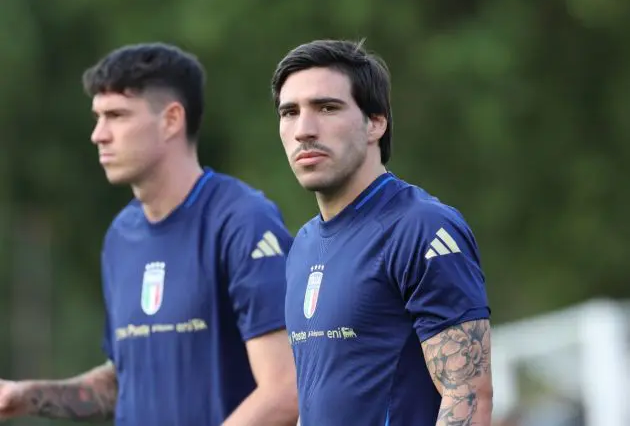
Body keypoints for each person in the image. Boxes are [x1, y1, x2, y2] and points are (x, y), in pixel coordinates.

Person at [0, 42, 299, 425]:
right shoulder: (121, 236)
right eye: (98, 116)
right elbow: (124, 382)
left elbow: (286, 391)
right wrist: (27, 397)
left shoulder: (242, 221)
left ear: (171, 120)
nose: (98, 134)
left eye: (117, 115)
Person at [271, 39, 493, 426]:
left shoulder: (421, 228)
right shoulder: (303, 245)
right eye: (289, 112)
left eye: (326, 107)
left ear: (376, 122)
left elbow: (469, 394)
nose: (304, 129)